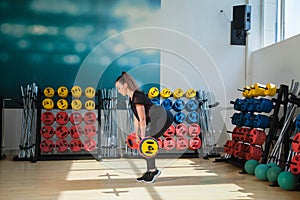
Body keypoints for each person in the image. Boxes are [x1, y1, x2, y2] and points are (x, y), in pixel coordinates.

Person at [115, 72, 173, 183]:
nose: (118, 90)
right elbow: (136, 118)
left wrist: (142, 137)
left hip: (164, 117)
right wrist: (137, 135)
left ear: (125, 85)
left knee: (147, 141)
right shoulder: (131, 98)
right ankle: (149, 171)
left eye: (118, 88)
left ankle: (153, 171)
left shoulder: (137, 96)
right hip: (157, 118)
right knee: (146, 141)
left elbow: (142, 119)